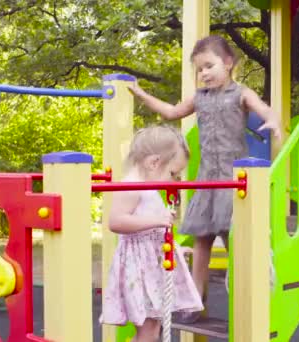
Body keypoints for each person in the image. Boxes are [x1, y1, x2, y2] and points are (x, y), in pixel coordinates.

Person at [129, 34, 281, 323]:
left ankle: (249, 299)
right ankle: (196, 300)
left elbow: (264, 109)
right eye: (199, 69)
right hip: (207, 180)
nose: (204, 73)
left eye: (209, 66)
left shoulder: (241, 93)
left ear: (228, 63)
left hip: (233, 181)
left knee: (235, 239)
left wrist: (271, 120)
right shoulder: (199, 98)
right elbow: (172, 112)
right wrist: (142, 95)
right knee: (201, 241)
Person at [100, 125, 203, 342]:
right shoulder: (131, 186)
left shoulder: (148, 188)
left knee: (153, 328)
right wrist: (156, 220)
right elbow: (116, 221)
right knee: (148, 330)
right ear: (154, 162)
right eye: (172, 173)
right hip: (138, 271)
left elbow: (153, 234)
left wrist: (175, 250)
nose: (174, 180)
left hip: (151, 268)